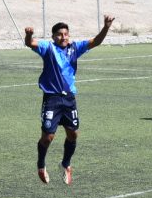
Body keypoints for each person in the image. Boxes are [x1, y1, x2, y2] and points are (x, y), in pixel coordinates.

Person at [25, 16, 114, 185]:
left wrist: (106, 27)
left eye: (66, 34)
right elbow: (31, 43)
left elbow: (96, 41)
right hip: (52, 98)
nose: (63, 37)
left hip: (69, 99)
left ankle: (66, 164)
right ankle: (41, 165)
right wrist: (29, 35)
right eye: (59, 34)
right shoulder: (48, 48)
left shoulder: (75, 48)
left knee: (73, 134)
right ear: (53, 36)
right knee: (48, 137)